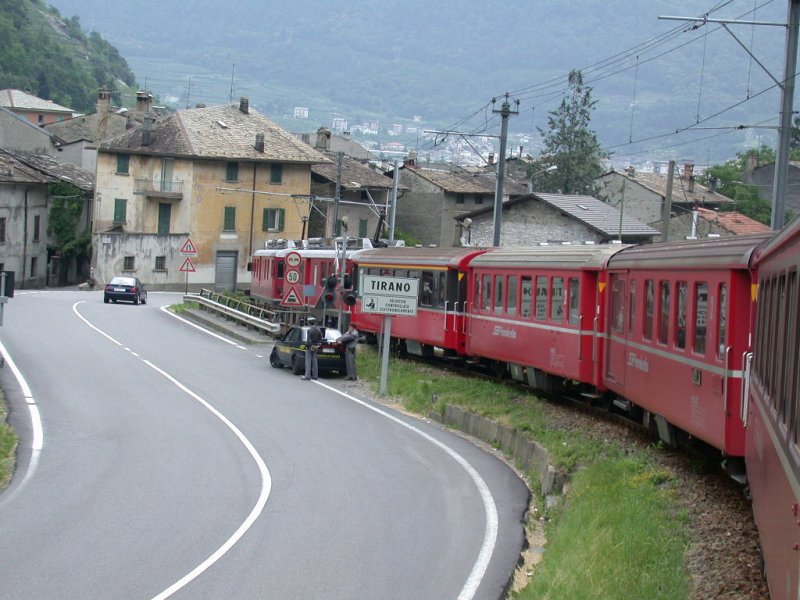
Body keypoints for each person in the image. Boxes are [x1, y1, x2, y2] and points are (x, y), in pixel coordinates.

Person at [302, 316, 322, 380]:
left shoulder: (309, 330)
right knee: (315, 361)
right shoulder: (318, 329)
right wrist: (317, 345)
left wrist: (309, 345)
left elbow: (309, 340)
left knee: (308, 361)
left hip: (310, 347)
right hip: (316, 346)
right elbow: (320, 339)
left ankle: (307, 376)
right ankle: (315, 375)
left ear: (309, 322)